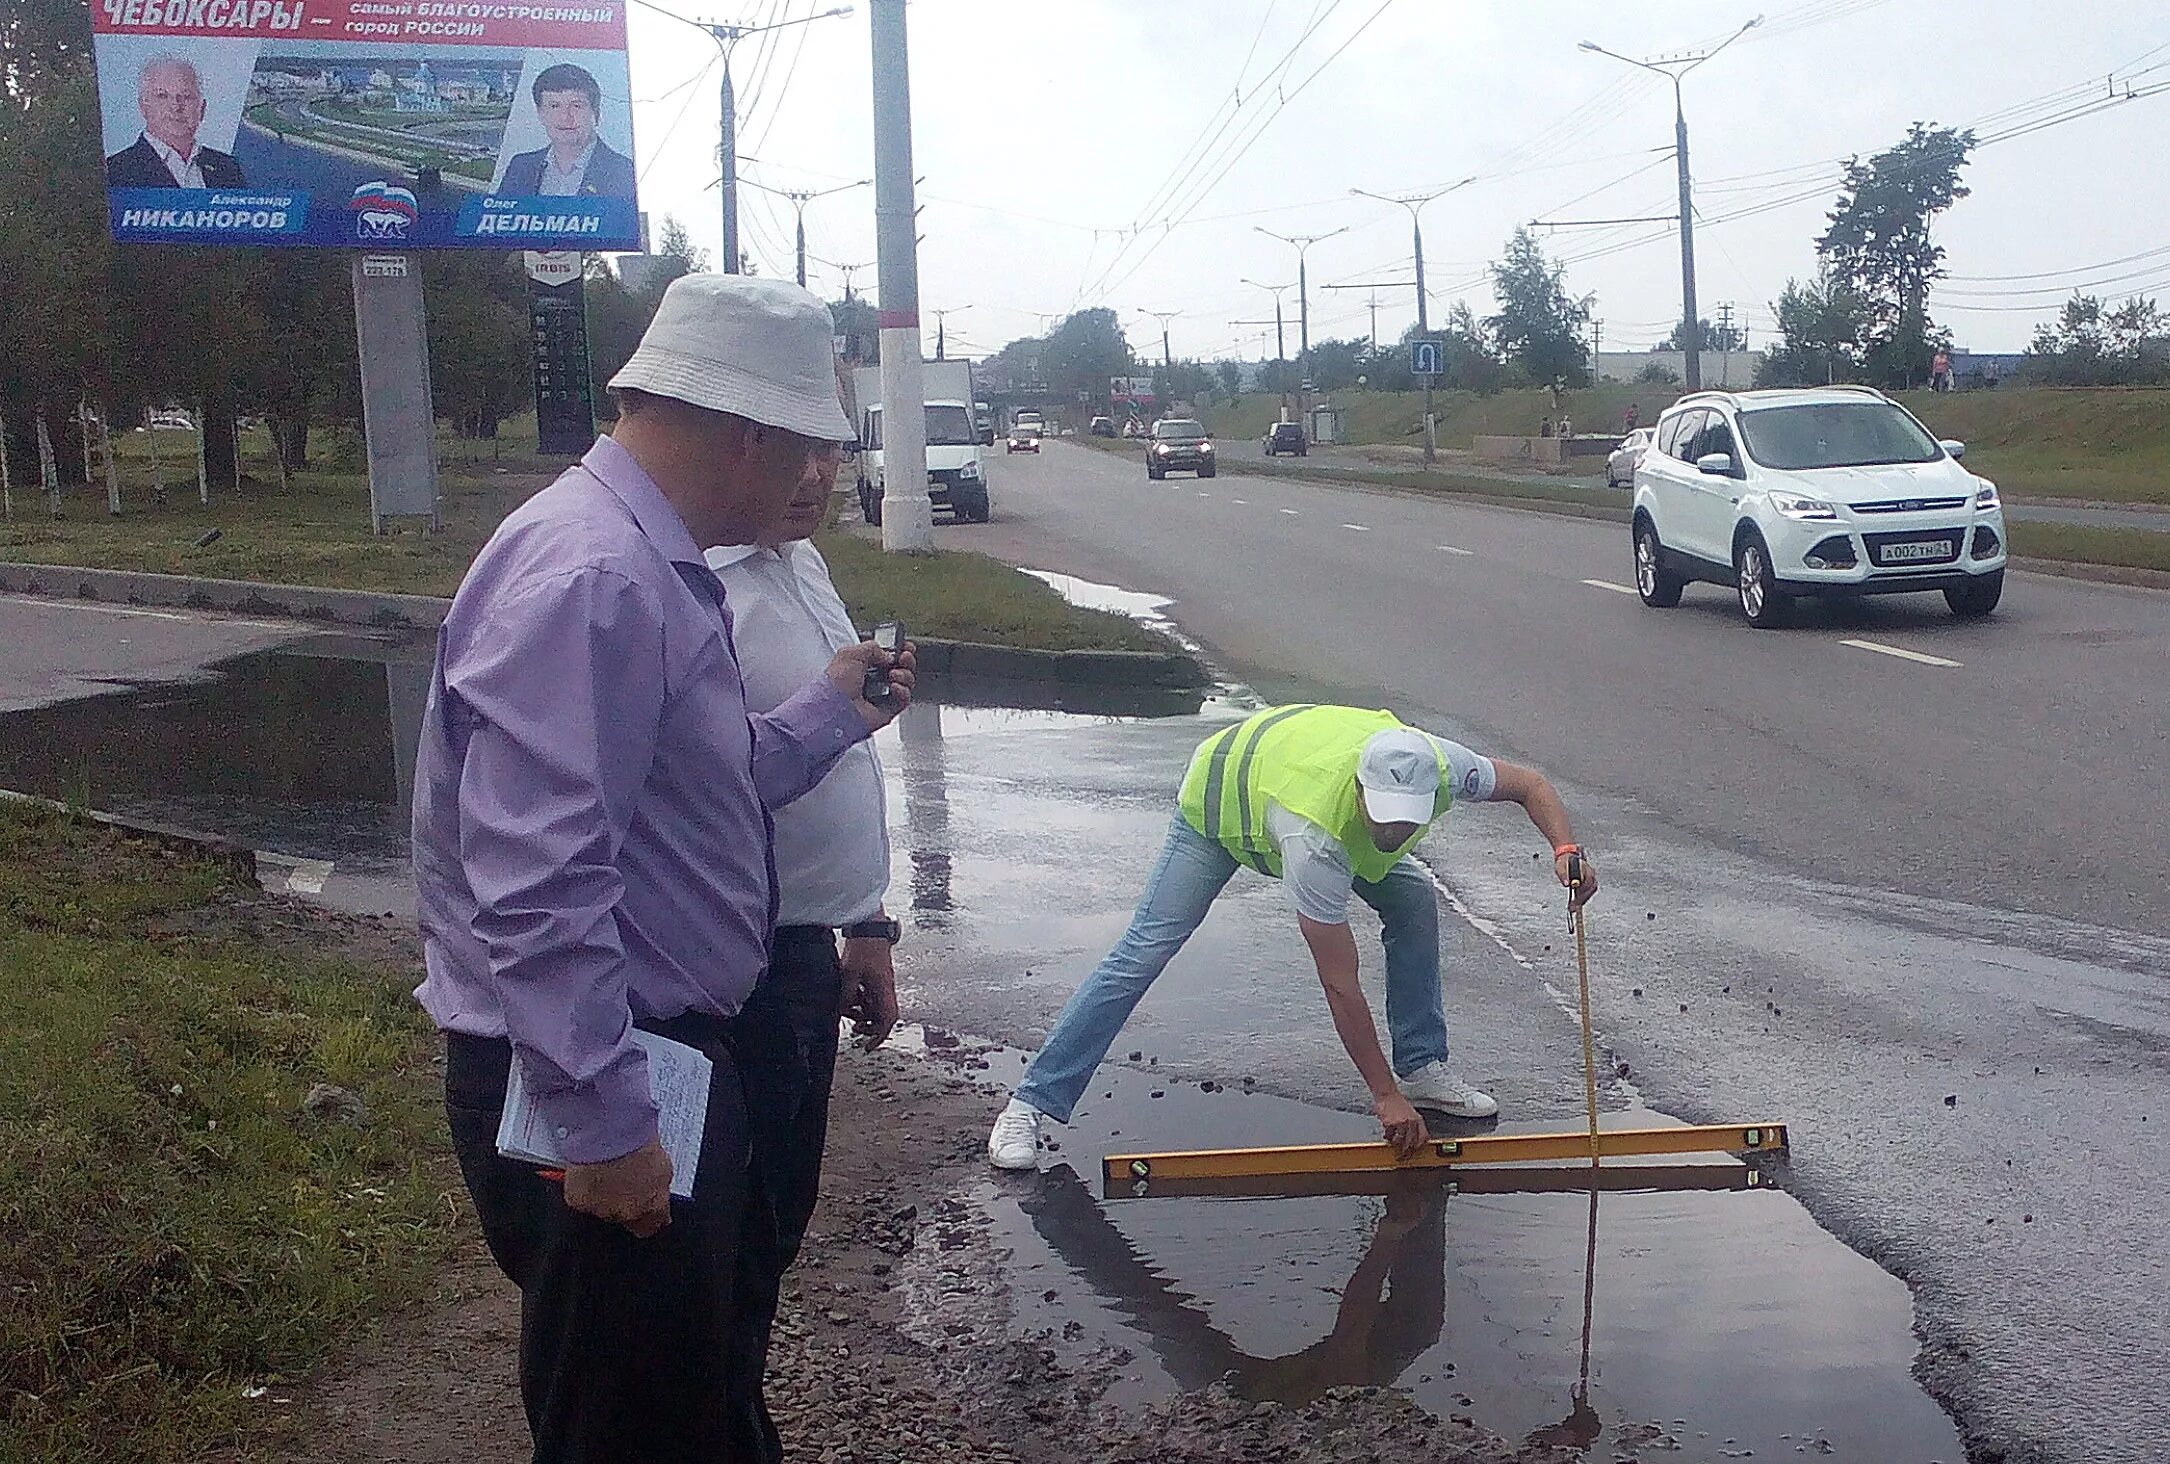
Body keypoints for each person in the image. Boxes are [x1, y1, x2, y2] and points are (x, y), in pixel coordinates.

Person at [412, 273, 912, 1463]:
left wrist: (826, 717)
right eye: (804, 448)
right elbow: (536, 880)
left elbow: (685, 803)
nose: (811, 478)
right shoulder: (596, 576)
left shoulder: (645, 557)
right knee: (627, 1429)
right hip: (607, 1074)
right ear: (746, 431)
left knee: (687, 1397)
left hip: (654, 1056)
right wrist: (601, 1119)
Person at [987, 705, 1597, 1170]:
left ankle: (1422, 1067)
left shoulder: (1439, 764)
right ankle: (1030, 1104)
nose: (1395, 829)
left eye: (1406, 816)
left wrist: (1566, 851)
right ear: (1360, 789)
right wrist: (1381, 1097)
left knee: (1412, 900)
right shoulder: (1315, 838)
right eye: (1383, 813)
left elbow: (1531, 786)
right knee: (1144, 951)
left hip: (1293, 776)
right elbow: (1339, 982)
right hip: (1223, 799)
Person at [703, 431, 901, 1457]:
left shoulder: (803, 562)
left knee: (771, 1228)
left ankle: (734, 1418)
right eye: (790, 451)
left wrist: (866, 923)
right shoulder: (693, 582)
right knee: (706, 1254)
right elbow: (694, 788)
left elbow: (842, 758)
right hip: (718, 964)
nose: (817, 476)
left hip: (800, 953)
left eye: (830, 448)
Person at [104, 56, 245, 189]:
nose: (176, 106)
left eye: (186, 96)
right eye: (162, 96)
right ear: (143, 106)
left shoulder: (227, 168)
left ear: (202, 108)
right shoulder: (116, 170)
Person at [499, 63, 636, 198]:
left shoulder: (623, 170)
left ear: (596, 113)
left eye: (576, 106)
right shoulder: (520, 166)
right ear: (540, 114)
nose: (565, 117)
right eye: (554, 106)